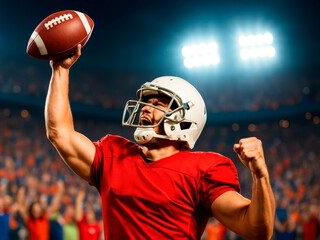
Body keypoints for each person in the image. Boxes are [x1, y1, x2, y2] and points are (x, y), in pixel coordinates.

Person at [45, 45, 275, 239]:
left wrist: (261, 175)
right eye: (147, 101)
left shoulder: (206, 169)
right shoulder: (114, 153)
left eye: (159, 103)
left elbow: (256, 229)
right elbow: (59, 132)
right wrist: (60, 70)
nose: (146, 107)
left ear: (184, 119)